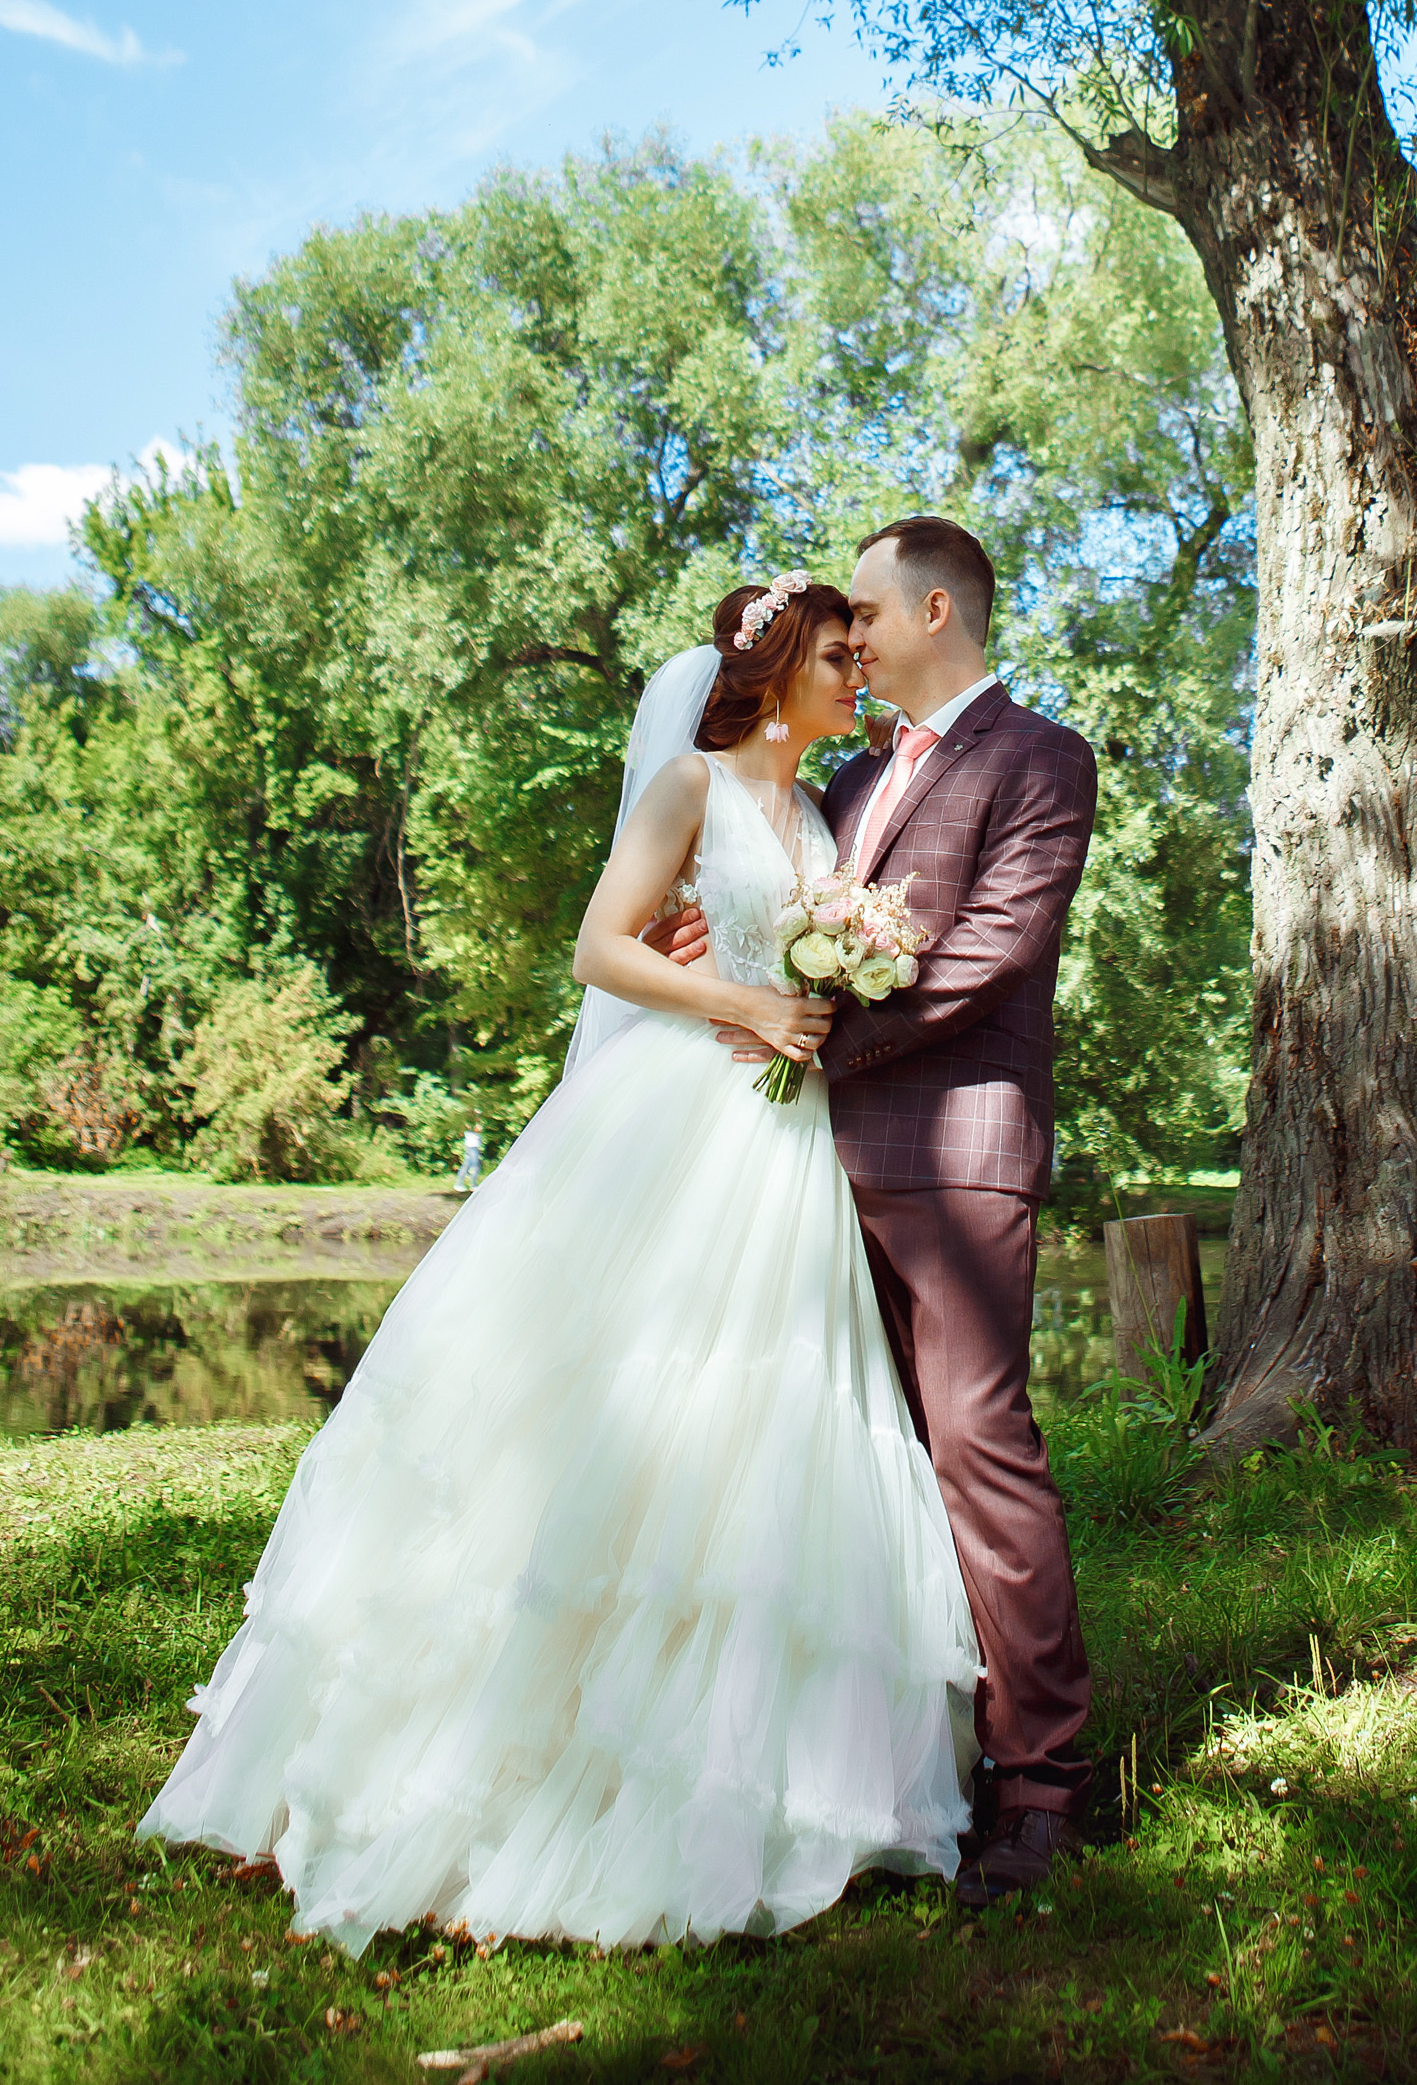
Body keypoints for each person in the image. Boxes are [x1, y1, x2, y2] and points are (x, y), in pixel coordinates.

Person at [136, 578, 979, 1954]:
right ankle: (509, 1740)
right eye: (837, 654)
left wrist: (828, 985)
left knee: (758, 1411)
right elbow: (598, 946)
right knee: (614, 1387)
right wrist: (746, 998)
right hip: (674, 1112)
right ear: (773, 669)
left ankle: (761, 1760)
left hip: (779, 1145)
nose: (858, 670)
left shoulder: (821, 810)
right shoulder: (690, 788)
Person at [667, 513, 1099, 1906]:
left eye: (862, 608)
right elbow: (777, 902)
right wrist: (716, 950)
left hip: (953, 1150)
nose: (846, 635)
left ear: (931, 608)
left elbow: (985, 952)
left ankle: (1042, 1781)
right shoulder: (848, 778)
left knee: (977, 1443)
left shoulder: (1039, 759)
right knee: (850, 1453)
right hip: (808, 1161)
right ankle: (883, 1757)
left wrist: (806, 1035)